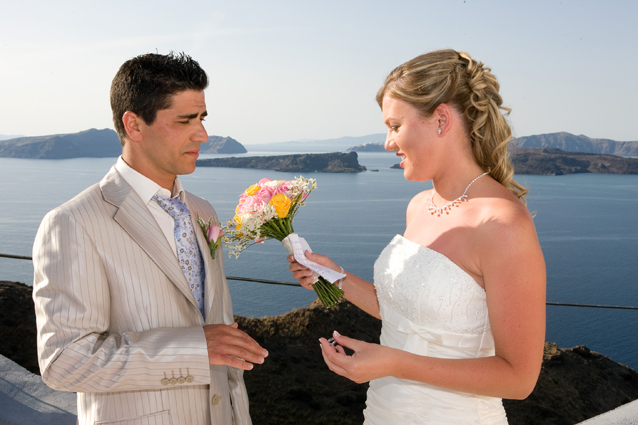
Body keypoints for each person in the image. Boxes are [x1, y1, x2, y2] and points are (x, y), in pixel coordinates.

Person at [288, 49, 546, 424]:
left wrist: (394, 362)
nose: (387, 143)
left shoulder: (503, 224)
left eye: (395, 126)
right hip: (383, 413)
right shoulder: (419, 205)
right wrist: (335, 277)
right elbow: (408, 314)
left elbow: (519, 378)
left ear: (441, 119)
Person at [33, 52, 268, 425]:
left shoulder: (203, 211)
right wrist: (194, 348)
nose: (203, 135)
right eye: (185, 120)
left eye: (202, 118)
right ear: (134, 125)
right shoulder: (73, 223)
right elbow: (64, 362)